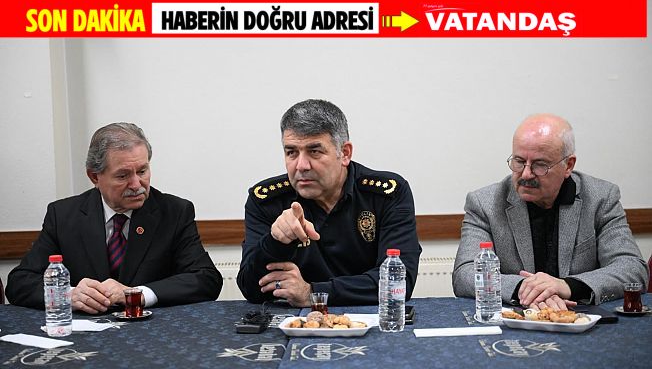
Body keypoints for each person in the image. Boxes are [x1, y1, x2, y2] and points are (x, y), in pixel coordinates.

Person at [6, 123, 222, 313]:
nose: (136, 184)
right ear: (94, 176)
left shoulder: (174, 212)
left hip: (153, 331)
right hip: (85, 334)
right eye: (123, 175)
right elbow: (19, 282)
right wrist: (68, 295)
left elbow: (205, 278)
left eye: (142, 171)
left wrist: (137, 294)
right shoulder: (63, 215)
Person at [453, 114, 648, 310]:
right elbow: (465, 274)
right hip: (517, 318)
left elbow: (632, 268)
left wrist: (567, 286)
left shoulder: (601, 198)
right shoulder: (485, 203)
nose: (526, 174)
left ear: (568, 165)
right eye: (519, 161)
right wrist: (525, 288)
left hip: (581, 317)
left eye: (540, 165)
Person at [237, 99, 422, 307]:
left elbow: (398, 282)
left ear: (345, 153)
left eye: (314, 151)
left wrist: (312, 293)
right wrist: (275, 241)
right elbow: (251, 289)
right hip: (294, 322)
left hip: (369, 319)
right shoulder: (266, 201)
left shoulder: (386, 194)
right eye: (291, 152)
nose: (301, 165)